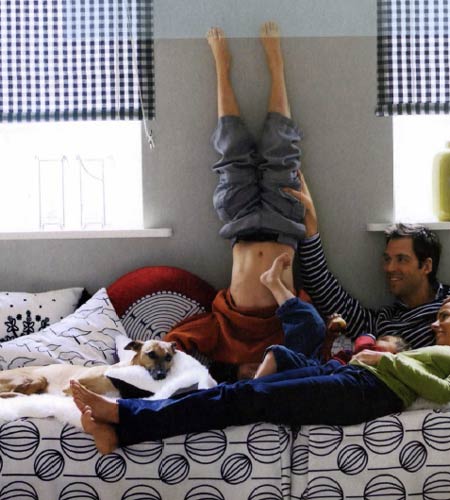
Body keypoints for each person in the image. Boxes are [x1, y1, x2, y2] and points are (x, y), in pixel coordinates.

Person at [71, 299, 450, 455]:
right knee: (239, 391)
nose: (436, 323)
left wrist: (387, 361)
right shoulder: (434, 349)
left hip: (366, 389)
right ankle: (123, 427)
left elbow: (445, 391)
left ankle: (124, 416)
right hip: (349, 375)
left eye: (446, 315)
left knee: (243, 399)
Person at [165, 22, 311, 381]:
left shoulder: (224, 337)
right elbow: (315, 338)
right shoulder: (291, 339)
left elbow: (173, 343)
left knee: (231, 150)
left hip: (240, 224)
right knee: (281, 150)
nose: (256, 367)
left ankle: (222, 67)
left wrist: (230, 370)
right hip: (283, 224)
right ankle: (276, 65)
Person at [286, 174, 450, 348]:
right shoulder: (382, 322)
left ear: (426, 266)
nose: (390, 268)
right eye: (387, 259)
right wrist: (310, 227)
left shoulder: (446, 302)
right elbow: (321, 286)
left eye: (402, 259)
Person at [254, 252, 410, 378]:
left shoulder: (375, 359)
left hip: (317, 368)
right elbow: (328, 352)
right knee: (312, 321)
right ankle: (274, 283)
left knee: (279, 353)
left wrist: (368, 336)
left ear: (395, 354)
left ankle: (252, 391)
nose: (377, 339)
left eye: (385, 340)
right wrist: (331, 334)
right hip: (318, 359)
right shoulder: (353, 354)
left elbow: (363, 344)